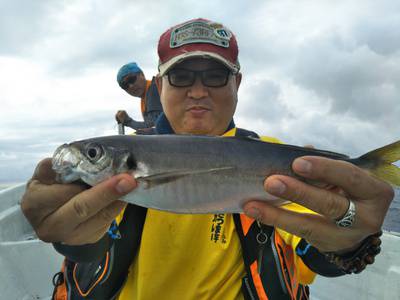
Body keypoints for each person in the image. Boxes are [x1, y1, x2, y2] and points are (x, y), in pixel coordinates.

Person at [21, 18, 394, 300]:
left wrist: (351, 240)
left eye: (215, 76)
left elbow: (317, 254)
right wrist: (70, 238)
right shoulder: (120, 162)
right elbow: (90, 247)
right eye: (181, 76)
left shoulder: (281, 158)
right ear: (159, 84)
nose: (198, 91)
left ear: (238, 83)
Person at [115, 62, 163, 130]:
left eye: (131, 79)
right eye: (125, 85)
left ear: (142, 74)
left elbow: (155, 128)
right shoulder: (146, 95)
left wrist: (128, 121)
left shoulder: (153, 89)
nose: (130, 86)